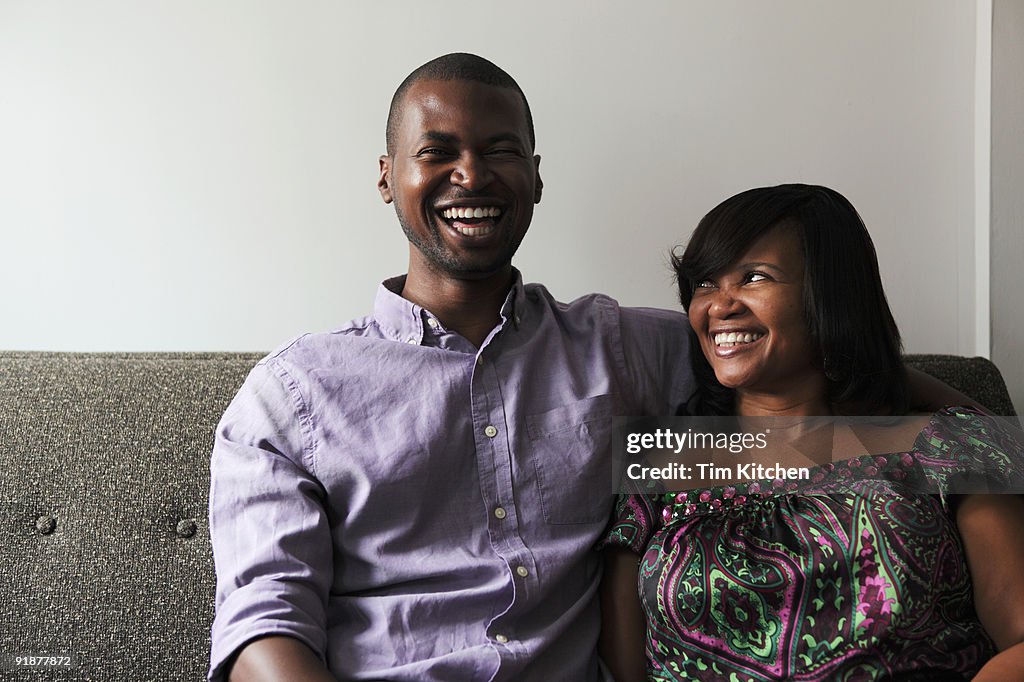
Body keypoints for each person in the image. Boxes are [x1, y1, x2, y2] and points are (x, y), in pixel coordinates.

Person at [207, 53, 695, 682]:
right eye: (437, 152)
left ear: (537, 178)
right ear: (387, 176)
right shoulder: (293, 394)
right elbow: (263, 632)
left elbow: (811, 429)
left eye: (501, 151)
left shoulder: (623, 349)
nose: (472, 174)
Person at [600, 184, 1024, 681]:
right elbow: (622, 668)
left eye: (754, 277)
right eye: (704, 284)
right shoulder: (659, 458)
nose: (719, 306)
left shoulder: (945, 445)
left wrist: (878, 368)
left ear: (831, 294)